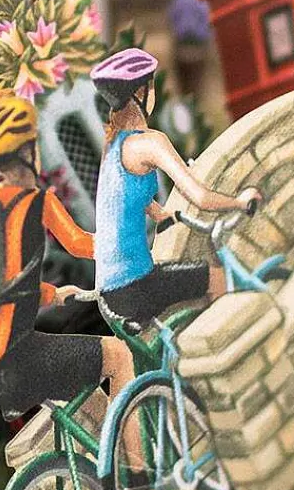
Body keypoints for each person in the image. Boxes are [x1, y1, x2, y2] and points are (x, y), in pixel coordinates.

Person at [0, 97, 136, 426]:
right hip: (22, 355)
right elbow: (81, 244)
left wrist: (52, 294)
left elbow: (1, 283)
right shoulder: (37, 202)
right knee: (119, 356)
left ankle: (110, 454)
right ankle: (139, 460)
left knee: (94, 404)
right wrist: (129, 243)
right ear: (30, 152)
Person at [90, 48, 261, 329]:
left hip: (112, 289)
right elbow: (200, 197)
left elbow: (124, 197)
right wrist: (239, 202)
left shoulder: (113, 143)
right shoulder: (150, 142)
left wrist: (159, 214)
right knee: (218, 279)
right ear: (141, 93)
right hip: (134, 285)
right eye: (152, 86)